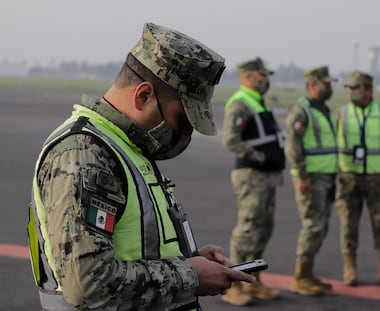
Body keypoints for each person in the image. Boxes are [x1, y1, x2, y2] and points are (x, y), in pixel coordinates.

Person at [26, 22, 256, 311]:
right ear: (144, 96)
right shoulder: (84, 155)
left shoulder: (125, 147)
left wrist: (189, 258)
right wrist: (191, 275)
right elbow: (87, 285)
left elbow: (133, 244)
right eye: (182, 120)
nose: (185, 133)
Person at [221, 57, 285, 306]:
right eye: (262, 75)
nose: (266, 80)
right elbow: (231, 140)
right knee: (248, 229)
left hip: (267, 176)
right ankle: (235, 285)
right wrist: (260, 157)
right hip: (251, 175)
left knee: (263, 228)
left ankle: (254, 281)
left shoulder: (257, 102)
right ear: (248, 76)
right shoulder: (240, 103)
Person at [336, 71, 380, 288]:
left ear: (368, 90)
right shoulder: (341, 113)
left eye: (356, 88)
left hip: (378, 180)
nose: (351, 92)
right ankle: (349, 269)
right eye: (349, 88)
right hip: (348, 178)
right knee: (348, 225)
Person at [285, 66, 338, 296]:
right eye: (324, 83)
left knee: (321, 227)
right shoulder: (301, 110)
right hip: (311, 179)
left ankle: (308, 273)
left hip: (326, 178)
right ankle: (300, 276)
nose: (329, 87)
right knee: (312, 226)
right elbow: (293, 146)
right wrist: (302, 174)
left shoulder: (322, 109)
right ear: (312, 84)